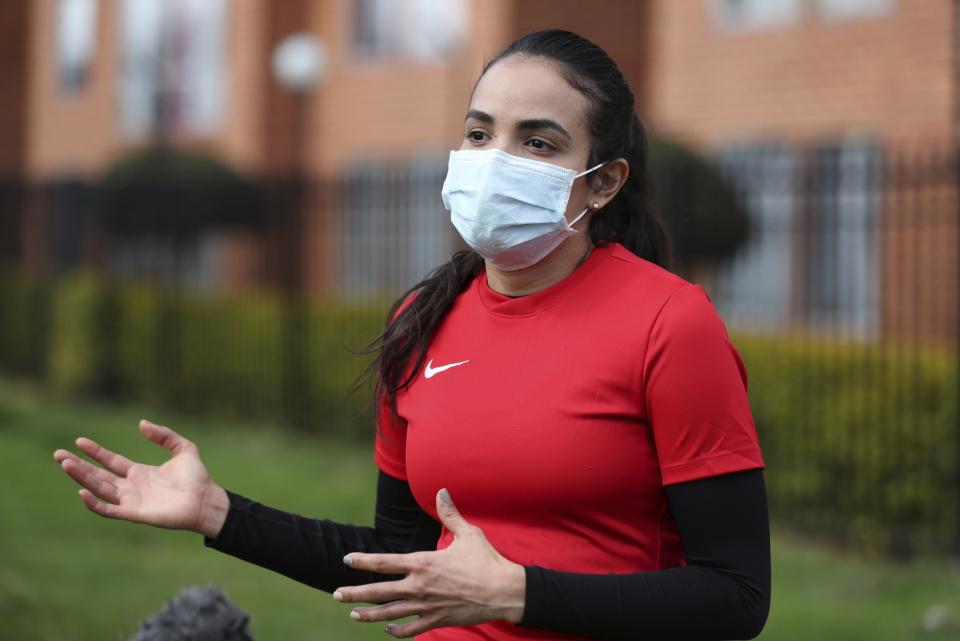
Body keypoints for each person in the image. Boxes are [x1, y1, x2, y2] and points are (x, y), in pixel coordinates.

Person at [53, 29, 770, 641]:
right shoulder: (422, 318)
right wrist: (218, 513)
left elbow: (737, 595)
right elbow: (403, 554)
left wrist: (516, 593)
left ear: (604, 181)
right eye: (480, 132)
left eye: (538, 141)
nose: (495, 161)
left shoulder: (669, 323)